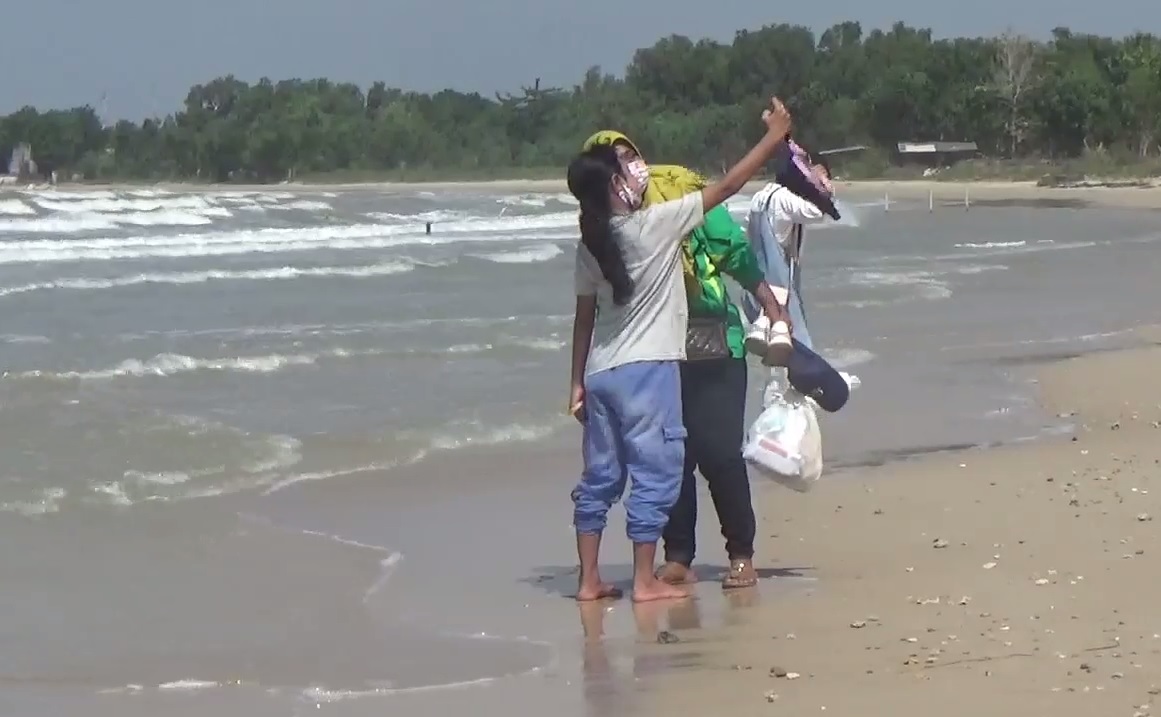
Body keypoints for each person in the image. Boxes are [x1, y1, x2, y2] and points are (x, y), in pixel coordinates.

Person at [567, 98, 793, 603]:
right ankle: (663, 568)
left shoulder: (602, 234)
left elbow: (735, 255)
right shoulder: (650, 224)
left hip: (643, 363)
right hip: (653, 367)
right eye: (622, 162)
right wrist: (774, 138)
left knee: (691, 459)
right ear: (611, 182)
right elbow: (731, 185)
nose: (635, 167)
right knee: (665, 466)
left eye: (631, 155)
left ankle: (732, 553)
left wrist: (576, 382)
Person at [743, 152, 834, 354]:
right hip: (779, 275)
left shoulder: (761, 195)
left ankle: (774, 382)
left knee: (769, 332)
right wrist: (823, 185)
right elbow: (818, 212)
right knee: (790, 329)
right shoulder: (785, 198)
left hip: (759, 272)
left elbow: (748, 229)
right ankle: (805, 373)